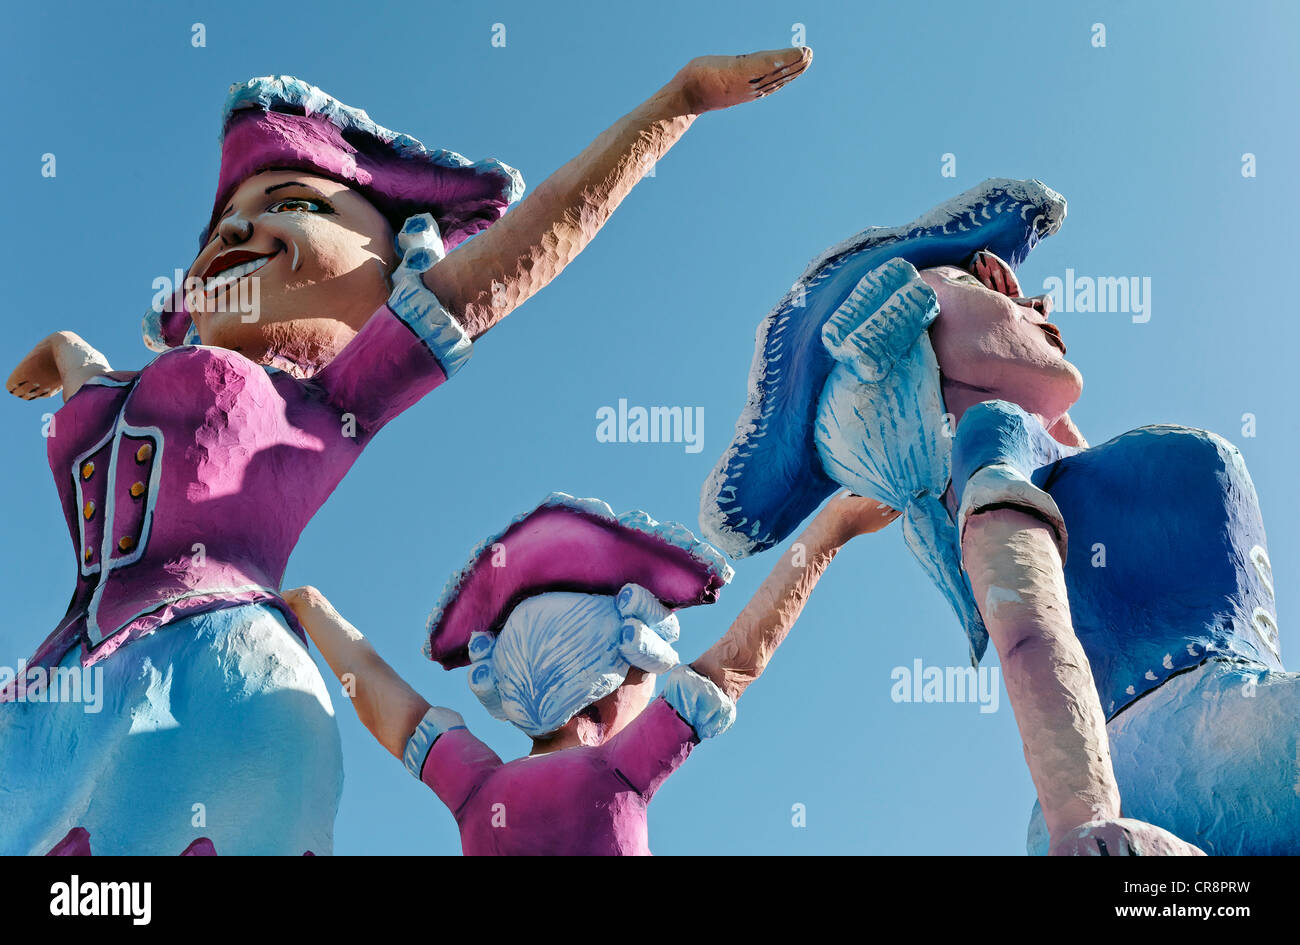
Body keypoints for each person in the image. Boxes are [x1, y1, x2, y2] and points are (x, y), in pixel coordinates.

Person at [1, 48, 813, 855]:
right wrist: (68, 356)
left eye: (294, 203)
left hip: (215, 684)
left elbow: (529, 244)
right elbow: (89, 378)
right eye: (223, 223)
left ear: (388, 277)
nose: (239, 228)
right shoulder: (125, 386)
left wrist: (674, 104)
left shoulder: (334, 399)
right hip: (56, 683)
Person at [702, 178, 1296, 855]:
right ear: (900, 333)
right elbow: (1027, 624)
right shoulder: (994, 434)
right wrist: (1086, 817)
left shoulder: (1054, 459)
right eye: (974, 276)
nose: (1024, 290)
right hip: (1208, 740)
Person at [284, 490, 897, 855]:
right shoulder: (614, 774)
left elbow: (389, 702)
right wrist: (829, 533)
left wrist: (313, 613)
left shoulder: (477, 792)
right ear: (608, 696)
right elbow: (737, 661)